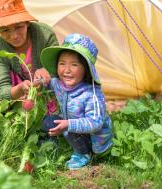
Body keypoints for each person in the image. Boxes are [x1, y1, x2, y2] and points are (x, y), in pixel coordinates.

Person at [40, 33, 113, 170]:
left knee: (71, 131)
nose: (66, 70)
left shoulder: (91, 95)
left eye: (74, 65)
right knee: (48, 121)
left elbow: (95, 123)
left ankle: (84, 153)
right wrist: (40, 82)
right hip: (71, 125)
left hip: (93, 137)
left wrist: (69, 124)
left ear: (86, 70)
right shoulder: (59, 83)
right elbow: (49, 83)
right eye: (62, 64)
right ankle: (52, 143)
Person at [0, 0, 59, 104]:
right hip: (20, 95)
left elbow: (60, 64)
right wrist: (20, 89)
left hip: (48, 87)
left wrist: (48, 69)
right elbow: (1, 89)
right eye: (5, 30)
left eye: (19, 27)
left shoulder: (45, 34)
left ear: (27, 23)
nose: (14, 36)